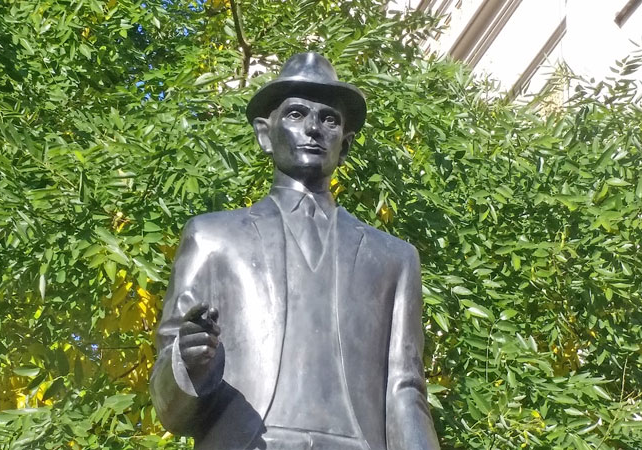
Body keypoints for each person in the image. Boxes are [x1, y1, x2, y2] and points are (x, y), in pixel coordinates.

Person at [150, 52, 440, 450]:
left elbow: (405, 387)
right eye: (296, 113)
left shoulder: (393, 258)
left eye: (329, 119)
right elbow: (168, 387)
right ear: (264, 134)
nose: (313, 129)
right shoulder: (212, 237)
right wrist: (189, 361)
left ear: (346, 143)